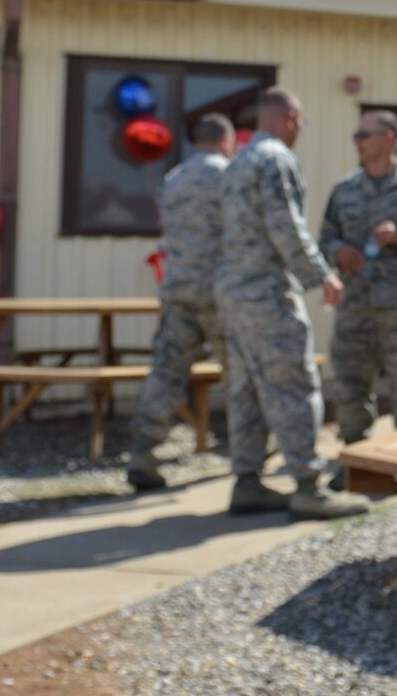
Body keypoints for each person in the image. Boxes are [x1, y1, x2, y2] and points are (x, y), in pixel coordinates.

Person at [214, 86, 365, 519]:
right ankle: (306, 486)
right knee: (293, 384)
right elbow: (287, 227)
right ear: (290, 118)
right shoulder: (276, 158)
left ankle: (247, 482)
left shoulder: (237, 161)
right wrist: (321, 277)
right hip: (266, 292)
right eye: (299, 122)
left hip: (233, 291)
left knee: (245, 388)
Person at [318, 109, 397, 438]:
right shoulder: (344, 188)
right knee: (350, 388)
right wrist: (338, 252)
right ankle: (356, 464)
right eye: (356, 136)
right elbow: (324, 239)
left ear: (388, 139)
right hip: (355, 306)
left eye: (363, 135)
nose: (356, 142)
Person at [125, 113, 235, 492]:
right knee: (239, 371)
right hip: (219, 292)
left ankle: (143, 450)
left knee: (167, 371)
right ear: (225, 140)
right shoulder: (230, 176)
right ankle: (247, 450)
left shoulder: (173, 179)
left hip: (178, 289)